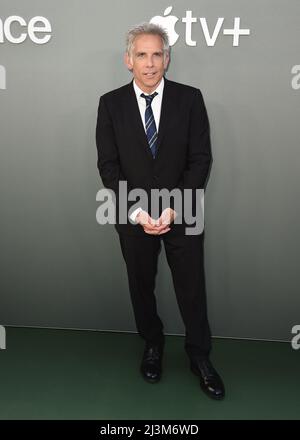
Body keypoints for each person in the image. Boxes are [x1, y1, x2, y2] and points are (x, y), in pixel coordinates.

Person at [95, 22, 225, 400]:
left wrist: (172, 208)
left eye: (156, 55)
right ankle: (152, 345)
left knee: (192, 290)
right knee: (141, 288)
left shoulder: (190, 99)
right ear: (128, 60)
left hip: (182, 215)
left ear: (167, 59)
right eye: (141, 55)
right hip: (133, 219)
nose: (149, 63)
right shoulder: (110, 103)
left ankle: (199, 356)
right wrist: (138, 212)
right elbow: (109, 166)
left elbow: (200, 160)